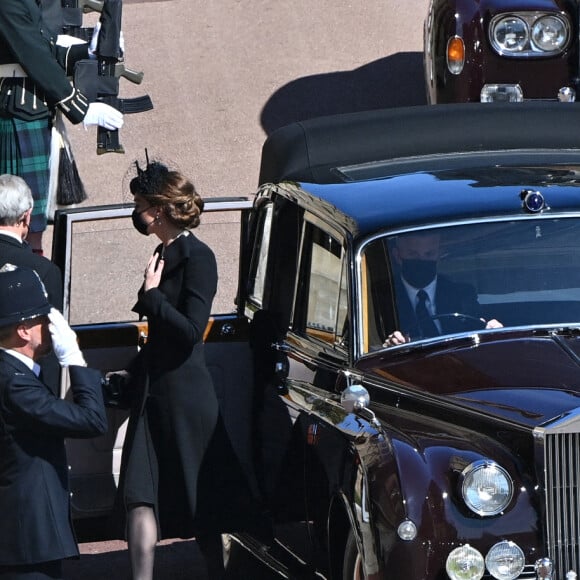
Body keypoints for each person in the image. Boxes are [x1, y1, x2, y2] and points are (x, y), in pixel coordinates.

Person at [116, 159, 261, 580]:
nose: (137, 212)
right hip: (153, 390)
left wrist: (153, 296)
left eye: (140, 203)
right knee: (139, 494)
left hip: (186, 395)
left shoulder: (199, 257)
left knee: (204, 500)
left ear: (157, 210)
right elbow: (161, 337)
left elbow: (191, 331)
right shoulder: (161, 252)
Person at [0, 264, 107, 580]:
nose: (52, 328)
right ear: (24, 330)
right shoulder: (15, 384)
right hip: (26, 538)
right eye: (45, 321)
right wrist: (74, 359)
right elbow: (92, 421)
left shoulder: (17, 372)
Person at [0, 0, 124, 254]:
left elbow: (43, 48)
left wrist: (88, 50)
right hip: (17, 112)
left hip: (34, 110)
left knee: (34, 225)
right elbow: (33, 55)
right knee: (14, 224)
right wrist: (80, 107)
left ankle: (38, 284)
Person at [384, 231, 502, 346]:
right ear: (397, 256)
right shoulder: (383, 297)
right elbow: (372, 343)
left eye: (429, 254)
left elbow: (478, 328)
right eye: (412, 254)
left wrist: (491, 330)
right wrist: (390, 343)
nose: (421, 260)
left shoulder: (462, 294)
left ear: (439, 255)